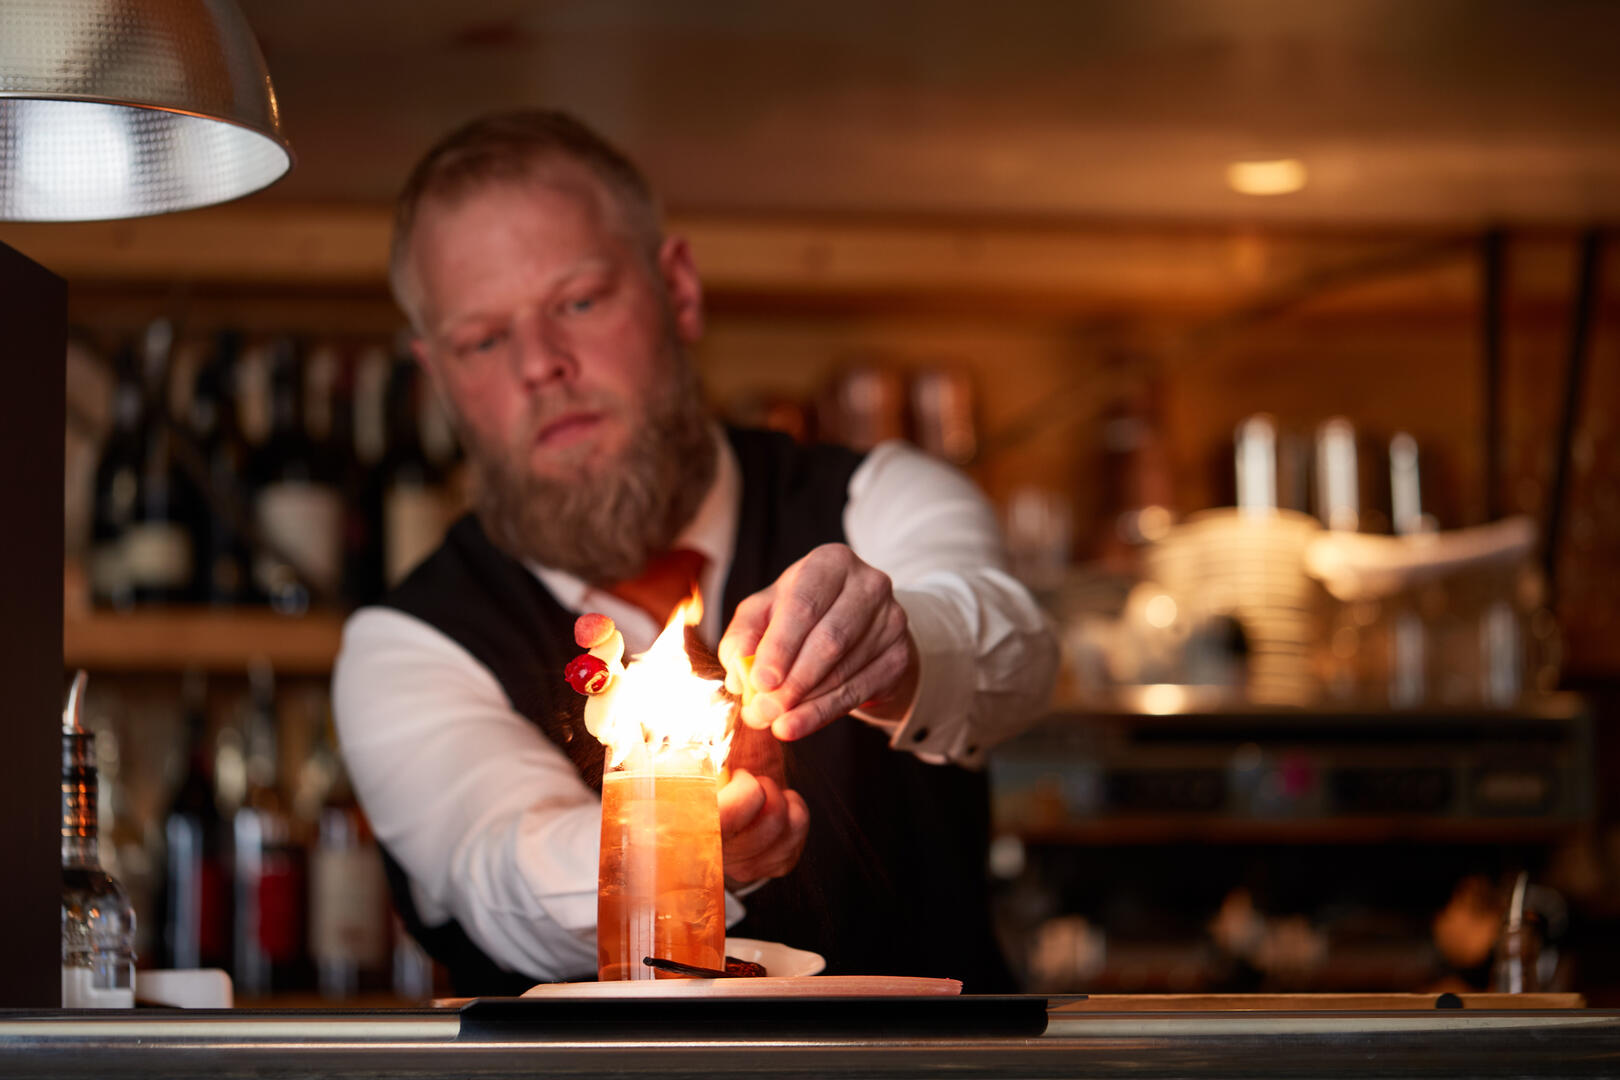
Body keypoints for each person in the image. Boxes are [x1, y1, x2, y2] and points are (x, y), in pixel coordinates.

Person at [332, 109, 1058, 995]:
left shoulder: (878, 497)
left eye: (578, 302)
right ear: (438, 377)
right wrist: (679, 836)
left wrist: (898, 649)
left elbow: (1016, 657)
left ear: (678, 290)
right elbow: (496, 871)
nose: (540, 364)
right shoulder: (405, 644)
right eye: (483, 339)